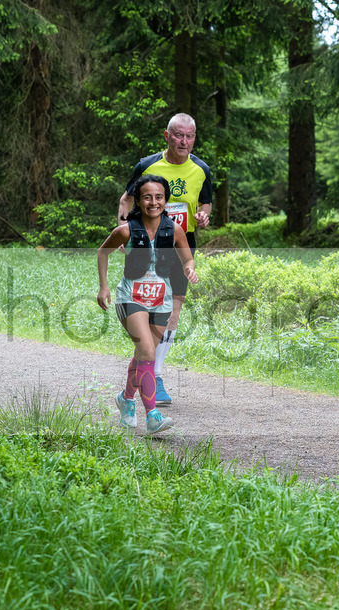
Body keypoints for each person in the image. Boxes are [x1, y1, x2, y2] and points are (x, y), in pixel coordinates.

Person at [117, 113, 212, 406]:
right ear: (166, 136)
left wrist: (204, 215)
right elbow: (126, 200)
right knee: (147, 309)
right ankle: (143, 372)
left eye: (190, 136)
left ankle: (154, 376)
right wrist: (125, 232)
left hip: (181, 245)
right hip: (146, 246)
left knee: (172, 311)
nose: (184, 142)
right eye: (179, 135)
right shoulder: (147, 165)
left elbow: (205, 201)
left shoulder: (201, 169)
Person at [99, 175, 198, 435]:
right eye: (147, 197)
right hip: (130, 297)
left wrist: (190, 270)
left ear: (165, 200)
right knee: (148, 354)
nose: (153, 202)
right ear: (139, 201)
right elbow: (102, 252)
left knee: (144, 355)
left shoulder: (175, 229)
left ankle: (125, 398)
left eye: (159, 197)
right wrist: (104, 286)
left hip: (161, 300)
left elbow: (188, 259)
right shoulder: (126, 230)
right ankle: (152, 416)